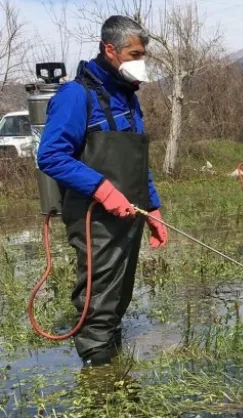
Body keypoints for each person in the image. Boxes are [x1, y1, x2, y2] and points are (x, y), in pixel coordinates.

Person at [36, 16, 168, 367]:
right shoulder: (75, 95)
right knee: (99, 297)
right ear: (110, 49)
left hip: (131, 213)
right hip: (95, 216)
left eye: (144, 54)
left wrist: (151, 206)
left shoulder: (127, 97)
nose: (141, 60)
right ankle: (99, 378)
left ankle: (113, 357)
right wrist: (103, 190)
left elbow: (138, 160)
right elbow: (50, 156)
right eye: (134, 53)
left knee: (119, 295)